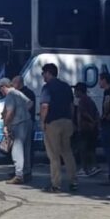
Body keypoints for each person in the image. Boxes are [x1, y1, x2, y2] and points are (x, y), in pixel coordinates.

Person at [39, 63, 78, 193]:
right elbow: (72, 105)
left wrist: (42, 122)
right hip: (67, 121)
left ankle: (56, 184)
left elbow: (45, 106)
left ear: (48, 73)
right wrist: (71, 119)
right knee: (67, 153)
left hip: (53, 123)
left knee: (54, 155)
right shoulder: (66, 86)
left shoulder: (47, 88)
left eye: (43, 73)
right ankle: (73, 181)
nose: (43, 76)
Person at [0, 78, 33, 185]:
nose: (0, 91)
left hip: (18, 124)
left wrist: (6, 125)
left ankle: (19, 175)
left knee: (17, 150)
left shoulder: (10, 95)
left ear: (4, 87)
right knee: (26, 149)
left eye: (0, 88)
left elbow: (10, 112)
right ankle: (27, 172)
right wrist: (22, 111)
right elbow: (30, 103)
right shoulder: (18, 93)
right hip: (28, 121)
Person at [73, 82, 101, 177]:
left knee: (83, 149)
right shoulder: (90, 100)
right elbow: (97, 113)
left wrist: (89, 122)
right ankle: (95, 166)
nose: (74, 93)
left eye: (75, 91)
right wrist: (96, 124)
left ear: (79, 91)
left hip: (85, 128)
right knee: (91, 149)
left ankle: (84, 169)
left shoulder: (82, 101)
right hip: (92, 129)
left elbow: (83, 113)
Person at [13, 75, 35, 181]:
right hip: (26, 122)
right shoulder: (28, 93)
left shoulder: (25, 93)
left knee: (24, 148)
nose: (12, 85)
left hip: (24, 123)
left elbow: (29, 105)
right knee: (24, 148)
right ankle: (23, 170)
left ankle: (24, 171)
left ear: (19, 83)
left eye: (14, 83)